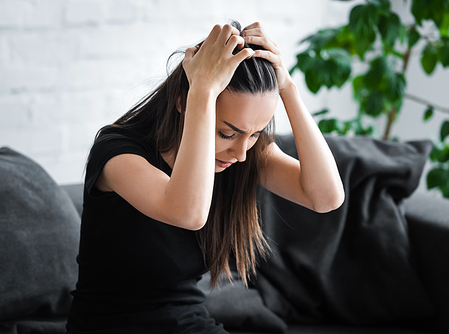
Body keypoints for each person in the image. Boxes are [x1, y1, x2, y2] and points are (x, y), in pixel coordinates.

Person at [65, 21, 344, 334]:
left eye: (254, 135)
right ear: (185, 102)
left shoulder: (240, 154)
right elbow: (187, 213)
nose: (240, 153)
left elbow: (326, 198)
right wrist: (202, 90)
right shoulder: (118, 153)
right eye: (227, 133)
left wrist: (288, 89)